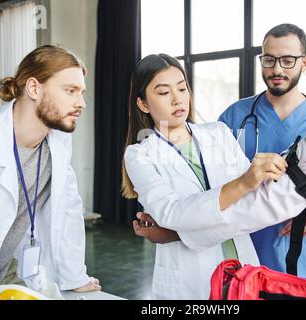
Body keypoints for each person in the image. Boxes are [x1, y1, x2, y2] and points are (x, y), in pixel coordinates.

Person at [136, 0, 306, 298]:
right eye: (269, 60)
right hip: (250, 250)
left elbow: (284, 193)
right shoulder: (232, 119)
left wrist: (182, 229)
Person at [122, 53, 288, 299]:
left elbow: (253, 203)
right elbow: (173, 213)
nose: (177, 99)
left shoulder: (218, 133)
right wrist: (242, 184)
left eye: (182, 88)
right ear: (143, 104)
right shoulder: (139, 155)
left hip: (241, 268)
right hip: (190, 280)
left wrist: (176, 233)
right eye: (164, 92)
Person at [0, 45, 101, 300]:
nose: (81, 103)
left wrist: (75, 276)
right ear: (34, 88)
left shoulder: (58, 141)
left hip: (4, 274)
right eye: (70, 91)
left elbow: (69, 208)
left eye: (81, 92)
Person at [218, 24, 306, 278]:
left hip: (302, 256)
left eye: (287, 60)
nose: (276, 69)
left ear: (305, 63)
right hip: (242, 253)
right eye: (269, 59)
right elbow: (209, 182)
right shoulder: (235, 117)